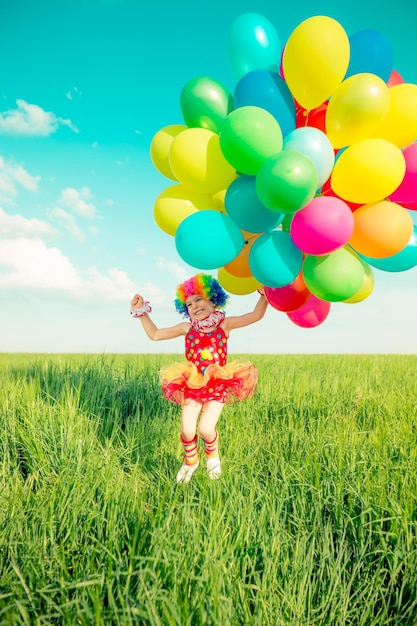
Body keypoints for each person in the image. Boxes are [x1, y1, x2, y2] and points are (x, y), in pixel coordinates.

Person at [130, 273, 268, 484]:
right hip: (193, 383)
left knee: (205, 428)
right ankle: (190, 461)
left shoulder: (225, 325)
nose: (194, 306)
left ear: (213, 299)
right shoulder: (188, 328)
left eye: (198, 299)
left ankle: (212, 458)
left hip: (218, 383)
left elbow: (256, 315)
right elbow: (155, 334)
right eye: (189, 304)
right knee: (186, 429)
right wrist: (142, 313)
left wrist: (266, 294)